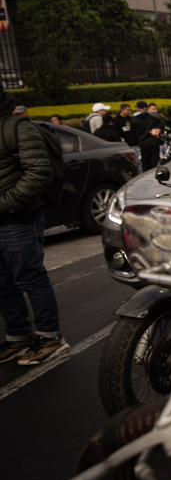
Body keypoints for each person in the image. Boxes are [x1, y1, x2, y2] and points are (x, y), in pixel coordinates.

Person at [0, 89, 68, 365]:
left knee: (30, 278)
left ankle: (50, 337)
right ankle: (18, 337)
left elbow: (39, 172)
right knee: (2, 283)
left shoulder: (16, 127)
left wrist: (6, 203)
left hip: (18, 219)